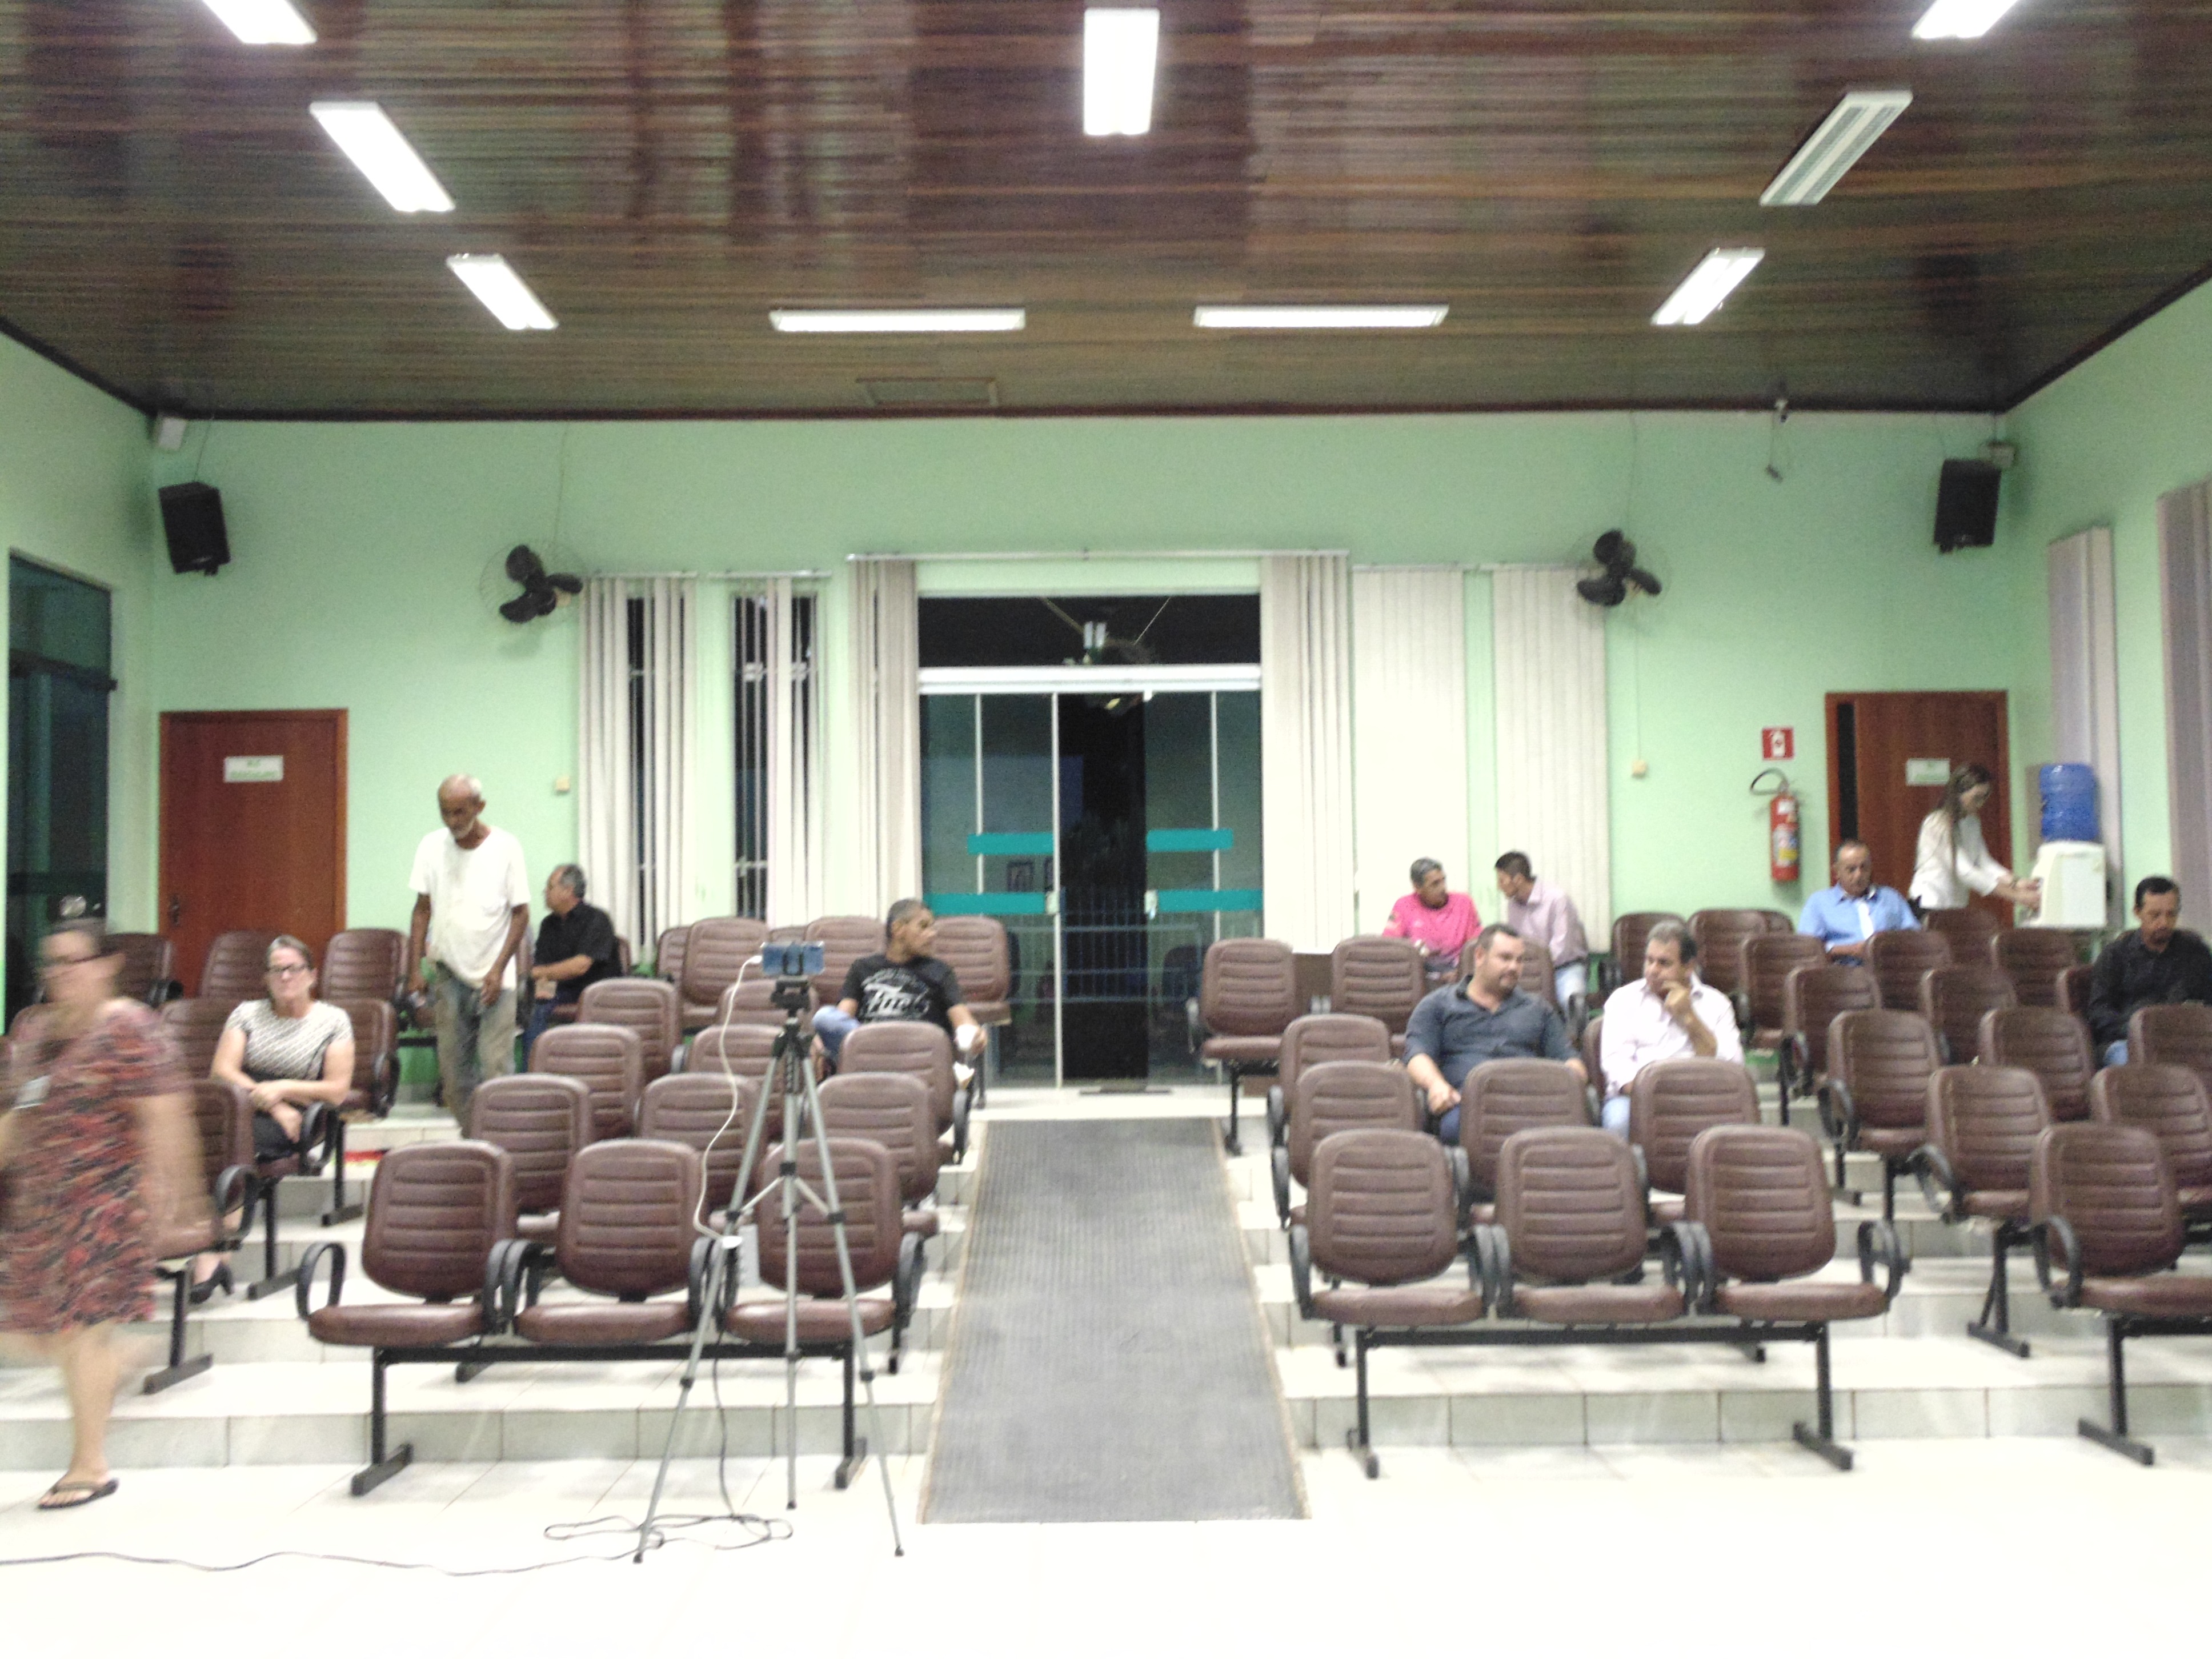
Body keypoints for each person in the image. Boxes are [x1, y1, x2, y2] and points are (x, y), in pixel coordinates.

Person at [0, 919, 202, 1510]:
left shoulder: (129, 1028)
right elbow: (19, 1114)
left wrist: (184, 1202)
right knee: (28, 1330)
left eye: (73, 961)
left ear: (107, 965)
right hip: (39, 1205)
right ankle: (112, 1361)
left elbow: (167, 1115)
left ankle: (89, 1467)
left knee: (79, 1331)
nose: (59, 974)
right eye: (52, 963)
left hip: (108, 1203)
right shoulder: (34, 1030)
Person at [195, 936, 356, 1299]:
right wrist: (272, 1103)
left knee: (238, 1150)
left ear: (312, 975)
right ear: (265, 977)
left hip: (300, 1117)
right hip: (249, 1107)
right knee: (217, 1144)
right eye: (276, 970)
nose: (285, 977)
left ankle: (214, 1253)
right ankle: (216, 1252)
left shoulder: (333, 1020)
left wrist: (283, 1089)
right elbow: (222, 1071)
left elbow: (336, 1090)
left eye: (293, 969)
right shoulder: (246, 1014)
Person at [407, 775, 530, 1131]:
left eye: (460, 812)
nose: (452, 821)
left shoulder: (506, 847)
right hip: (449, 975)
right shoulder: (431, 846)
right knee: (454, 1075)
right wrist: (414, 969)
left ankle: (501, 1142)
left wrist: (498, 968)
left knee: (495, 1068)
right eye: (445, 812)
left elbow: (521, 914)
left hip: (496, 978)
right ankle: (473, 1138)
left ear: (480, 807)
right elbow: (422, 910)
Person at [1404, 923, 1582, 1144]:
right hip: (1468, 1106)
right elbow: (1417, 1056)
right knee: (1454, 1128)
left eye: (1519, 960)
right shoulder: (1437, 1005)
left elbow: (1571, 1062)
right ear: (1480, 956)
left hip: (1530, 1105)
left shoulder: (1538, 1009)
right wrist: (1436, 1085)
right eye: (1505, 958)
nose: (1514, 967)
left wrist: (1562, 1087)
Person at [1597, 920, 1742, 1136]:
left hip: (1700, 1096)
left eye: (1664, 963)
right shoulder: (1623, 1000)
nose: (1653, 970)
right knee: (1619, 1121)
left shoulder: (1716, 1004)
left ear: (1689, 967)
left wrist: (1690, 1017)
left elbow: (1732, 1066)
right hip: (1636, 1096)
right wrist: (1662, 1096)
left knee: (1735, 1122)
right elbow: (1617, 1066)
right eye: (1649, 961)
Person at [812, 899, 982, 1071]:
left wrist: (975, 1034)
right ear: (898, 929)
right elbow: (841, 1018)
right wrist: (820, 1042)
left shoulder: (941, 971)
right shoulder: (862, 968)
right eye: (923, 927)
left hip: (916, 1052)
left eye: (932, 927)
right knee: (824, 1017)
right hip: (870, 1051)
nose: (932, 934)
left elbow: (963, 1021)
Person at [2087, 876, 2212, 1066]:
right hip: (2127, 1041)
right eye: (2155, 915)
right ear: (2137, 912)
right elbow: (2099, 1013)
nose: (2164, 923)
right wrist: (2136, 1029)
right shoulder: (2115, 955)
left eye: (2171, 915)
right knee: (2131, 1063)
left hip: (2184, 1042)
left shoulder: (2195, 953)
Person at [1910, 764, 2041, 917]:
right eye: (1976, 798)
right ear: (1958, 793)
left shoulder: (1972, 822)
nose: (1981, 804)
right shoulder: (1937, 822)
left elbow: (1984, 863)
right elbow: (1965, 871)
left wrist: (2017, 883)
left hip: (1954, 906)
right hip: (1929, 902)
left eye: (1985, 797)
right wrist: (2017, 896)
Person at [522, 864, 619, 1055]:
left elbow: (580, 966)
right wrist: (542, 987)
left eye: (550, 887)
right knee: (533, 1005)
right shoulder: (548, 924)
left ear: (567, 891)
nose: (545, 892)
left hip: (596, 991)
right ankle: (534, 1069)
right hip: (562, 990)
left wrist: (537, 973)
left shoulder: (597, 919)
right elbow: (542, 965)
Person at [1493, 851, 1591, 1006]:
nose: (1499, 886)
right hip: (1527, 970)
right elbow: (1515, 943)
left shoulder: (1557, 899)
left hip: (1565, 968)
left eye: (1502, 880)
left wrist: (1535, 969)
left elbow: (1561, 949)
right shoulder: (1513, 905)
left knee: (1571, 1002)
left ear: (1518, 880)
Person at [1798, 841, 1918, 963]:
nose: (1859, 875)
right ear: (1837, 872)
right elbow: (1807, 948)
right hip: (1843, 970)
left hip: (1890, 968)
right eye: (1851, 870)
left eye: (1864, 868)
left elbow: (1915, 938)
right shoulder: (1819, 903)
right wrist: (1848, 950)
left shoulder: (1891, 898)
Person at [1382, 858, 1482, 970]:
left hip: (1458, 972)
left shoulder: (1464, 903)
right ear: (1417, 888)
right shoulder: (1404, 906)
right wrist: (1413, 949)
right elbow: (1389, 946)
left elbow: (1478, 945)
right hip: (1419, 973)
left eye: (1443, 880)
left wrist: (1462, 971)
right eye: (1435, 884)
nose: (1443, 888)